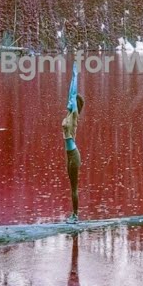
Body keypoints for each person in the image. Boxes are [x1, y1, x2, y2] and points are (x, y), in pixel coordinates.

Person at [62, 59, 85, 222]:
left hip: (74, 155)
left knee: (74, 187)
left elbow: (73, 93)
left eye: (72, 101)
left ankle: (75, 216)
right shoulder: (68, 114)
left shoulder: (74, 115)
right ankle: (73, 214)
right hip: (69, 155)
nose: (69, 101)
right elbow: (71, 93)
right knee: (71, 186)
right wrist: (72, 76)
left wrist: (76, 75)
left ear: (75, 105)